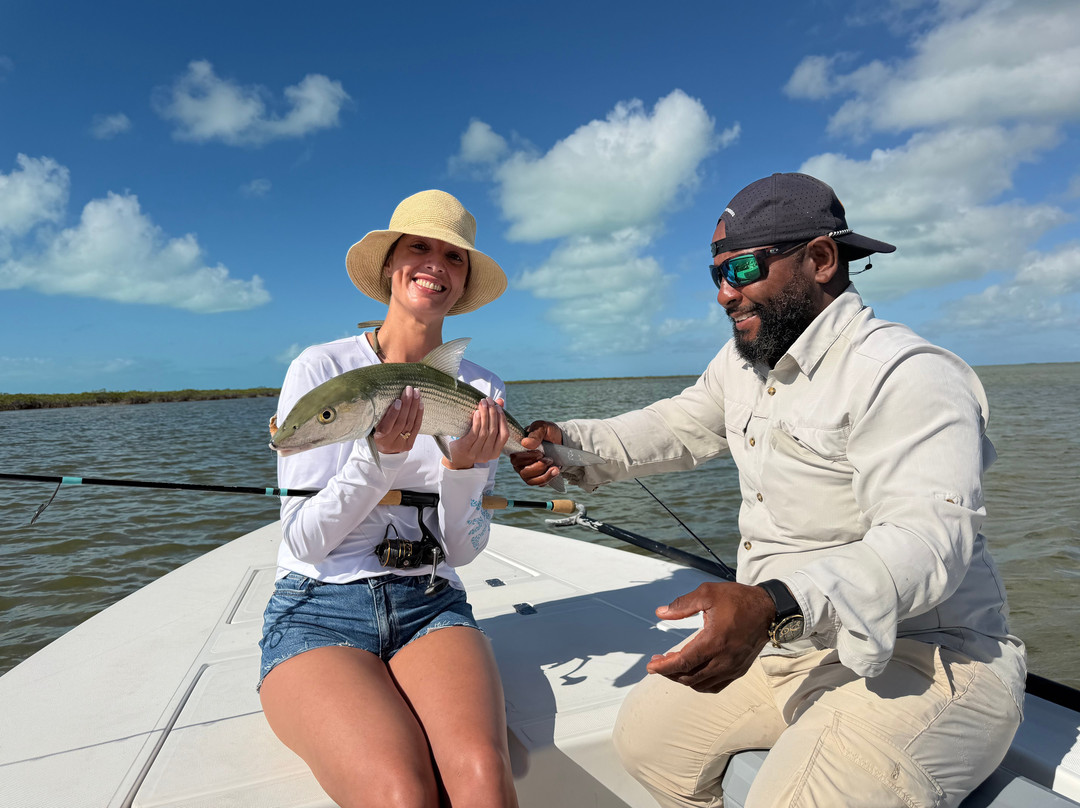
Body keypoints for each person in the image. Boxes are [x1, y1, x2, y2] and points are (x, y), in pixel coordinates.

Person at [510, 173, 1025, 807]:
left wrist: (773, 603)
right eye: (717, 275)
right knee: (648, 740)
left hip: (929, 657)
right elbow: (675, 425)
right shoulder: (742, 363)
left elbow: (926, 544)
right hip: (796, 642)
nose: (727, 292)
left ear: (820, 258)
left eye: (745, 267)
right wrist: (562, 443)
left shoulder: (909, 374)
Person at [259, 189, 519, 808]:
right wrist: (380, 459)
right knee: (400, 793)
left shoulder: (482, 388)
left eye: (454, 258)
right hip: (318, 607)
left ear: (463, 282)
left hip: (429, 600)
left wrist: (461, 472)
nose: (435, 265)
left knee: (483, 778)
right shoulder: (322, 371)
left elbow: (459, 552)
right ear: (389, 267)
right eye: (419, 248)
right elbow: (304, 540)